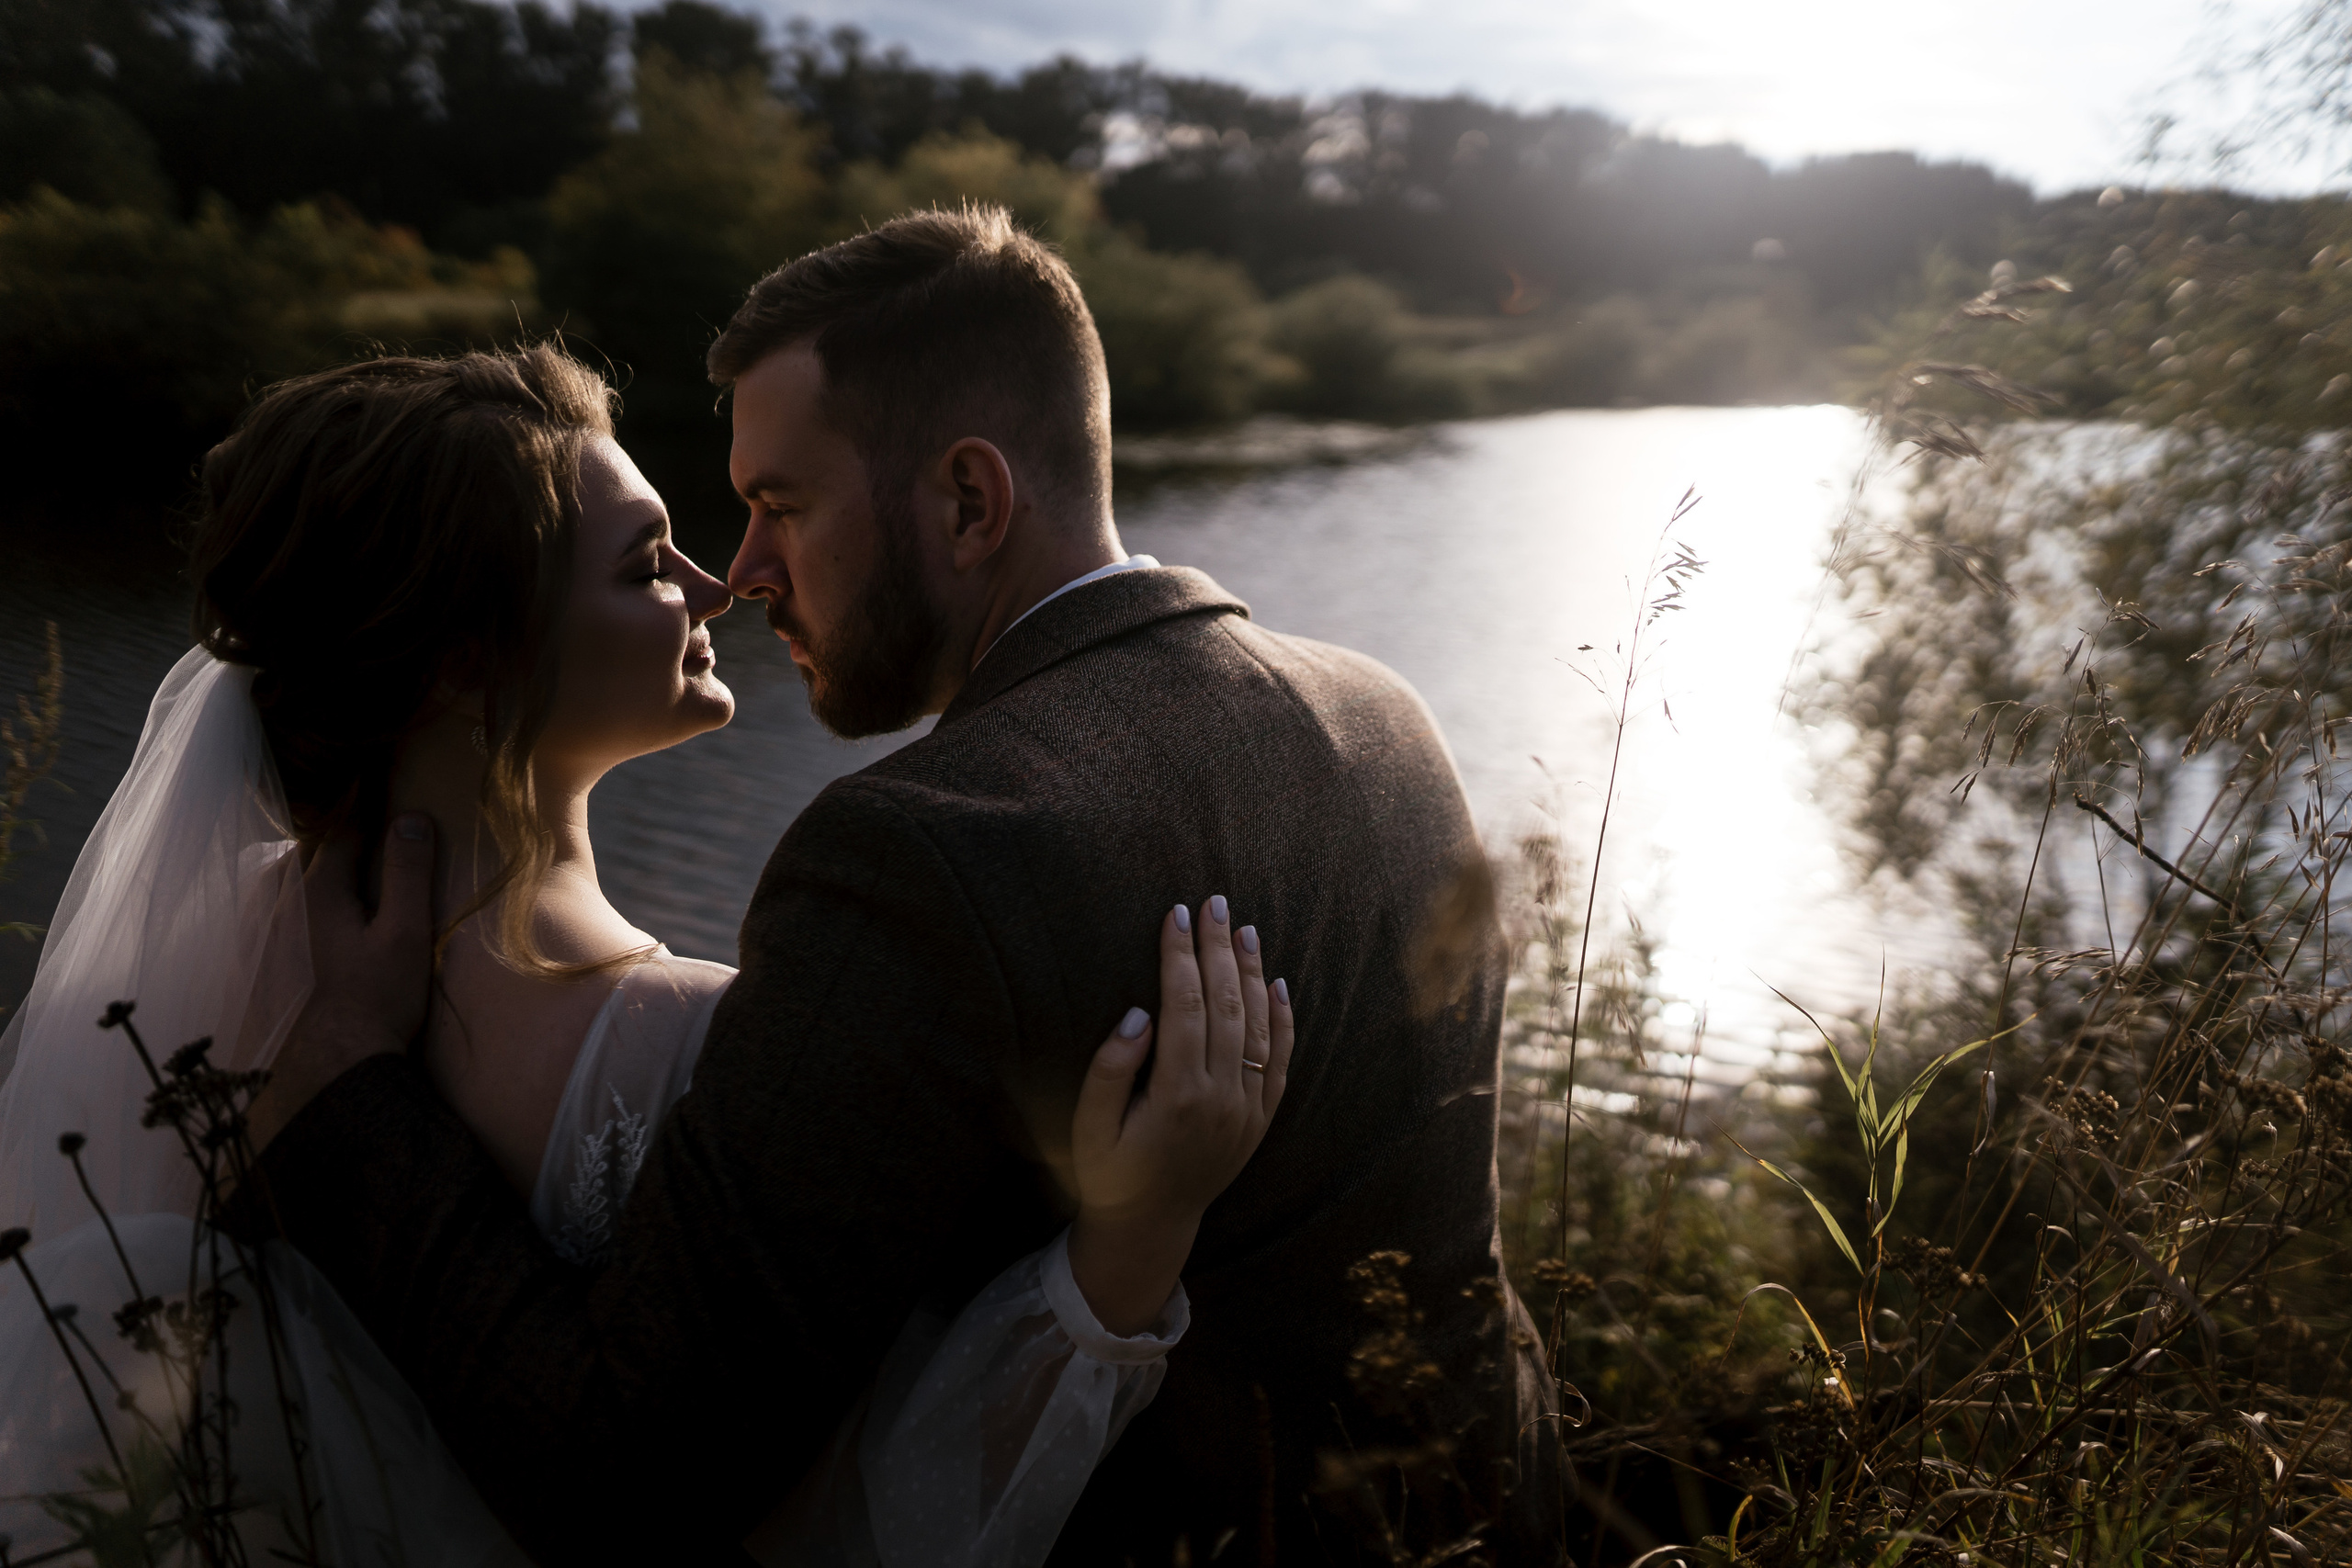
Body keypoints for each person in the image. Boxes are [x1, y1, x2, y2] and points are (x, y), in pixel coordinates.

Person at [231, 203, 1562, 1564]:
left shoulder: (925, 852)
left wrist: (341, 1103)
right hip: (1496, 1512)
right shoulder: (1387, 717)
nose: (741, 575)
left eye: (779, 508)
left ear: (968, 501)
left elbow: (625, 1474)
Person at [0, 344, 1292, 1566]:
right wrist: (1135, 1241)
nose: (719, 585)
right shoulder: (689, 1046)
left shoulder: (205, 968)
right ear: (468, 657)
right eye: (645, 566)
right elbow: (875, 1527)